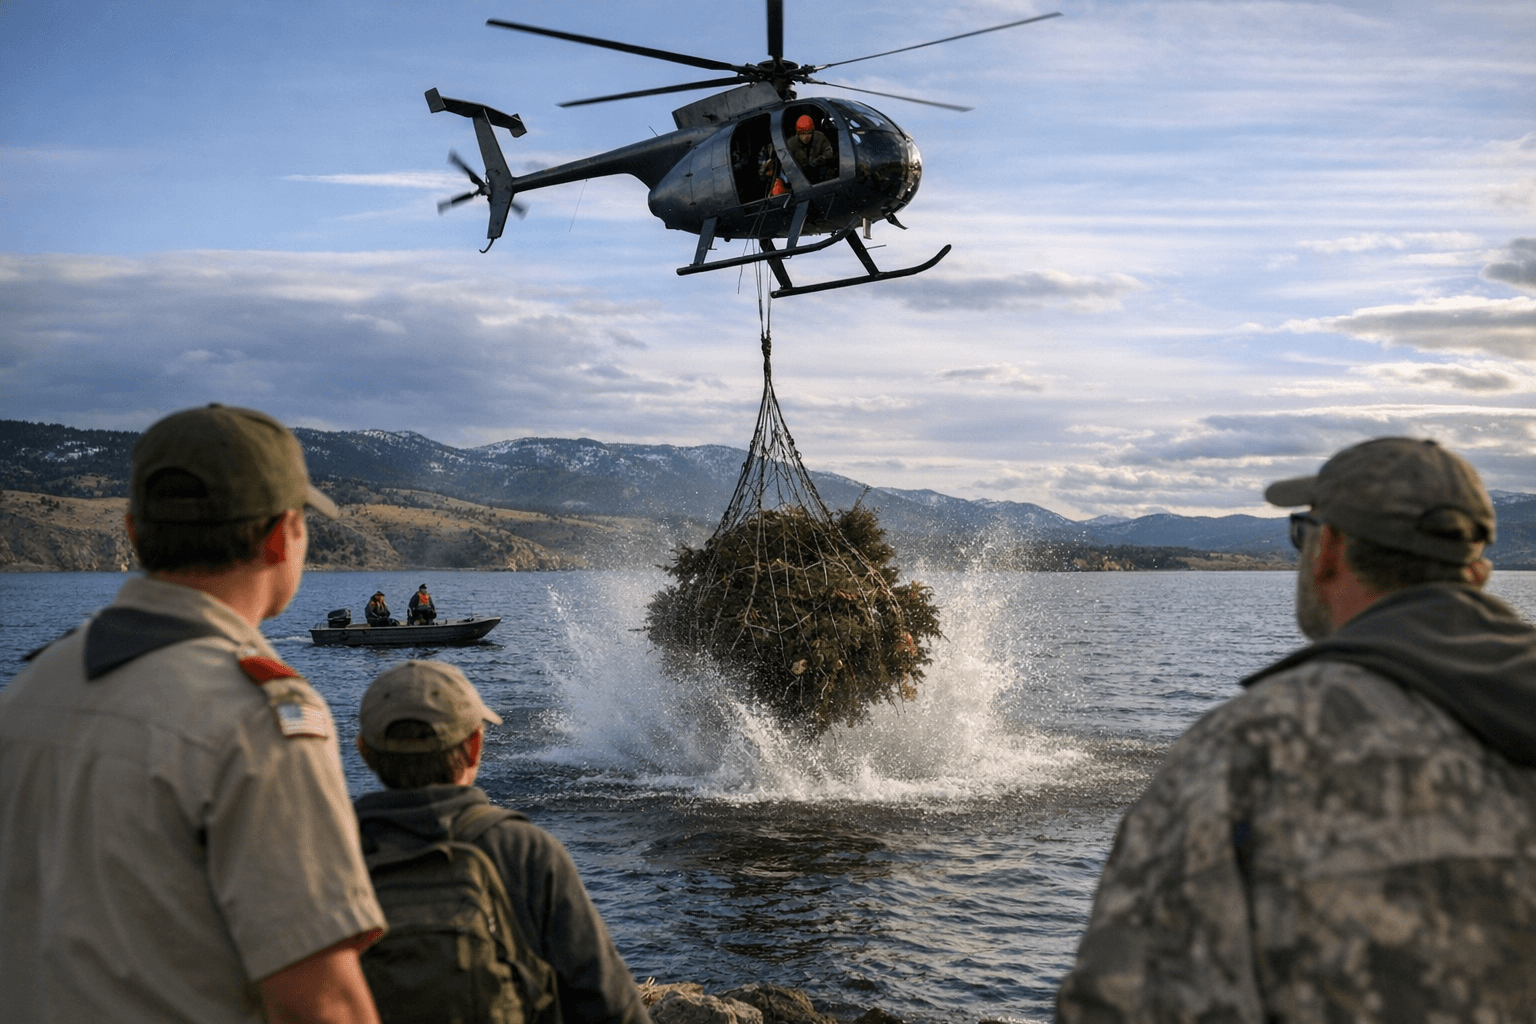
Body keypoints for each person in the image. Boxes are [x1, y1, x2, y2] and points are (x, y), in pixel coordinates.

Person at [1055, 437, 1536, 1023]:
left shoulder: (1257, 746)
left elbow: (1121, 1000)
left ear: (1327, 549)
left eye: (1300, 535)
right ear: (1478, 569)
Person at [0, 403, 387, 1024]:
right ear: (279, 535)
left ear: (132, 530)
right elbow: (320, 1003)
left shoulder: (30, 692)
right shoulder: (254, 715)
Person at [353, 660, 651, 1024]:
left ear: (364, 751)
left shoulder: (331, 855)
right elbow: (608, 1003)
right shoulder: (524, 850)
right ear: (475, 745)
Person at [785, 113, 835, 183]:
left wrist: (820, 159)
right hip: (801, 175)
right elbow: (786, 165)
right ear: (797, 133)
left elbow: (829, 152)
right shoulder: (790, 144)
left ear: (813, 132)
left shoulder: (820, 137)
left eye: (809, 133)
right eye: (802, 133)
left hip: (819, 170)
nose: (806, 137)